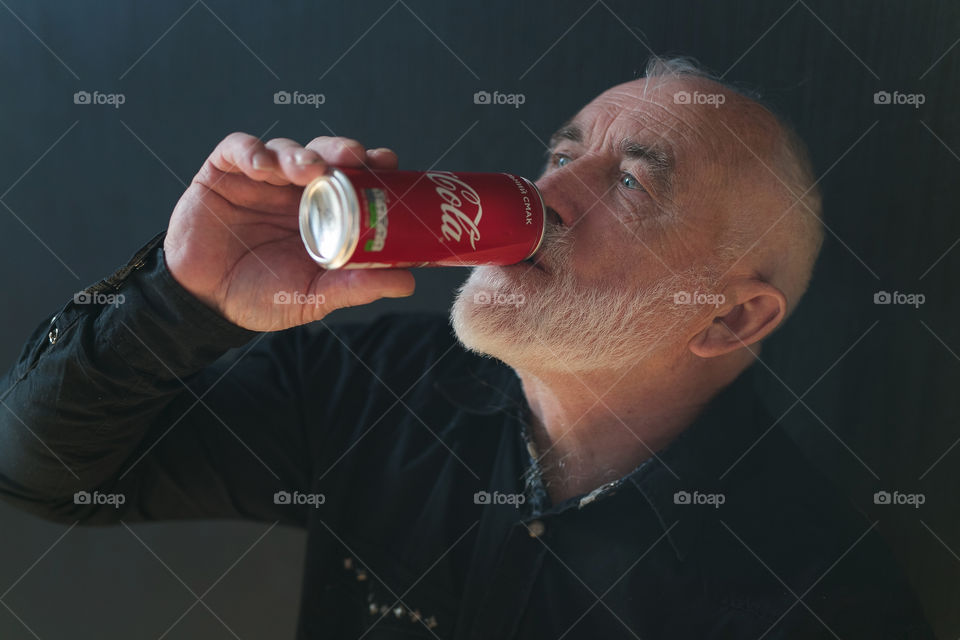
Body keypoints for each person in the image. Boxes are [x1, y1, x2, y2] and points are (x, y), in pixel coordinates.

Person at [0, 57, 933, 639]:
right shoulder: (380, 384)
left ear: (729, 320)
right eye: (563, 155)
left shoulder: (817, 598)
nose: (550, 194)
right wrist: (184, 297)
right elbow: (46, 475)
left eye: (635, 184)